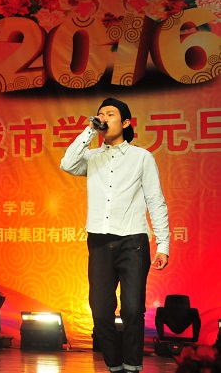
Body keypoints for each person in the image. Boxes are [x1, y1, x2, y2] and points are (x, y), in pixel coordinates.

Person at [60, 98, 170, 373]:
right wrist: (89, 130)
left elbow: (156, 200)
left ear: (126, 122)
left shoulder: (141, 157)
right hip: (99, 241)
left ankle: (132, 365)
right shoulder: (92, 158)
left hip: (133, 240)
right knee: (100, 311)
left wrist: (163, 244)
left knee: (132, 309)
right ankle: (114, 365)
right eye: (100, 114)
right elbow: (67, 163)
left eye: (110, 114)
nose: (104, 118)